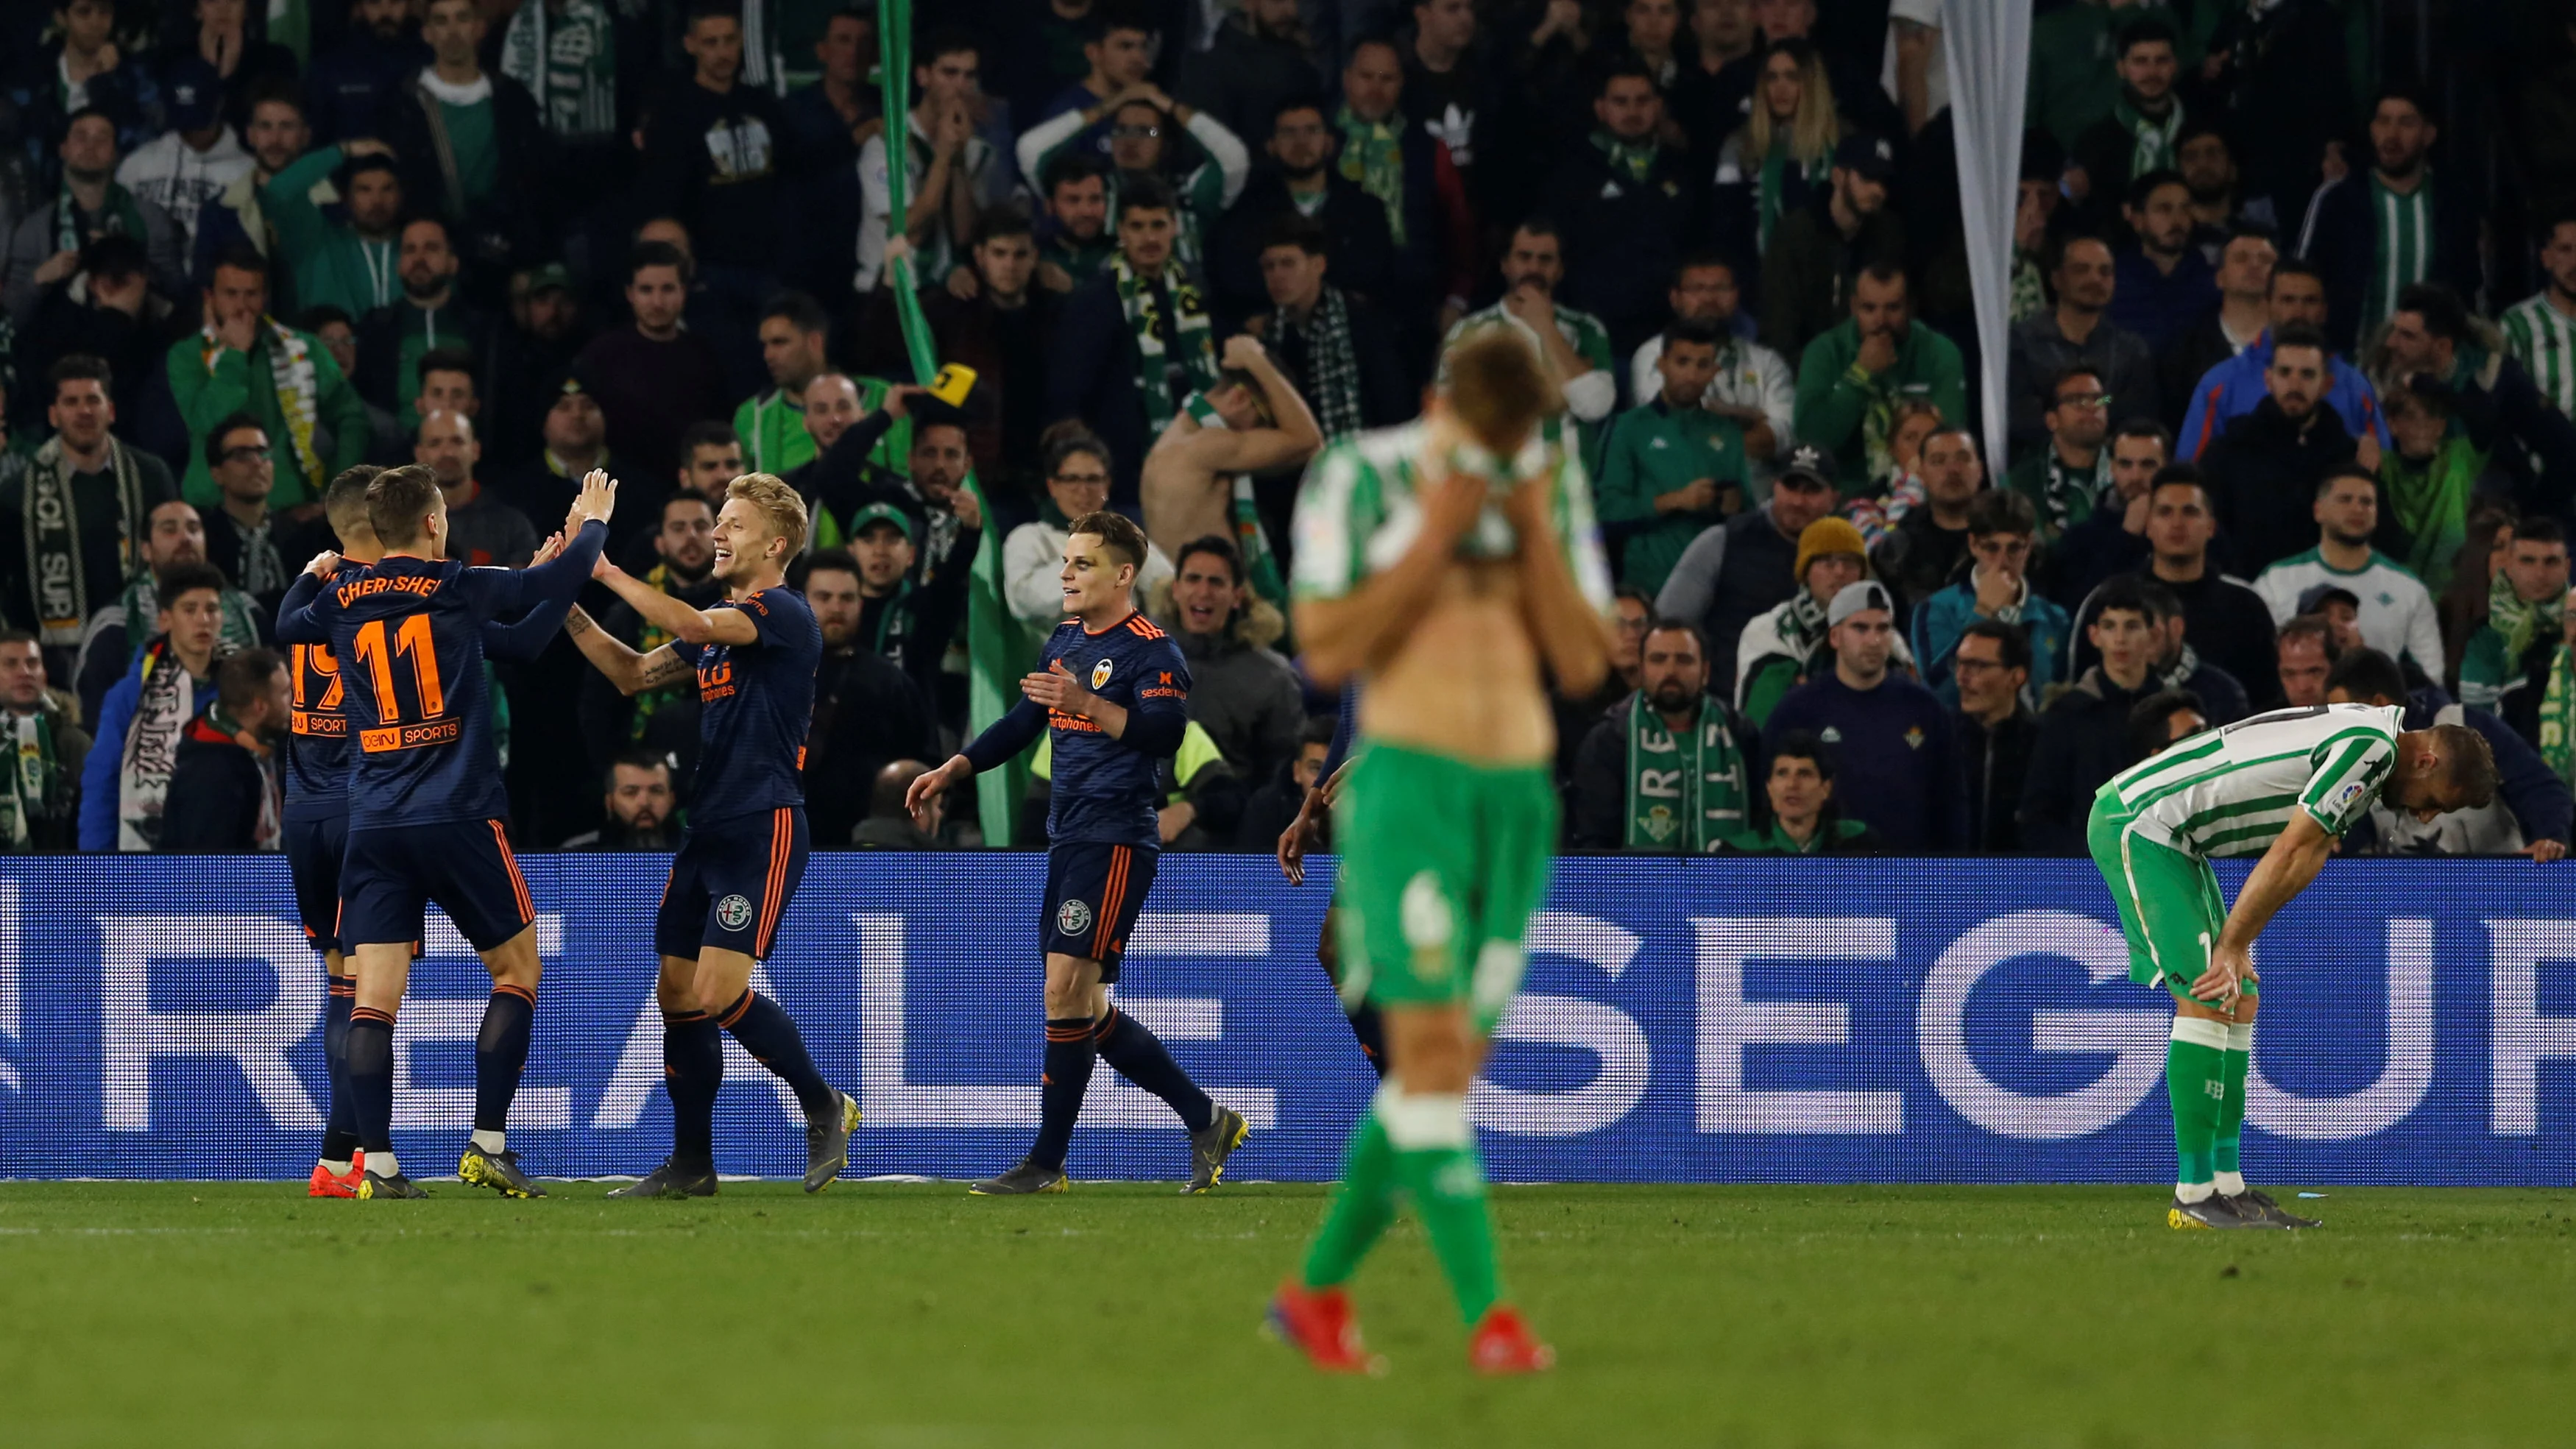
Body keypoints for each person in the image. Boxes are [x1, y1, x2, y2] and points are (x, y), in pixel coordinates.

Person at [1262, 329, 1603, 1374]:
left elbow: (1586, 658)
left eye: (1521, 438)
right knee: (1431, 1059)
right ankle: (1491, 1321)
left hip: (1515, 801)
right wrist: (1436, 538)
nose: (1504, 455)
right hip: (1405, 791)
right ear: (1435, 403)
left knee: (1446, 1063)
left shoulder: (1547, 477)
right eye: (1490, 436)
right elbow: (1324, 648)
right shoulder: (1359, 476)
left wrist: (1535, 528)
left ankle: (1316, 1294)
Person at [271, 463, 614, 1199]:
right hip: (457, 816)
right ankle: (488, 1142)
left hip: (376, 825)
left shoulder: (341, 599)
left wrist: (311, 574)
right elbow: (539, 603)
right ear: (432, 522)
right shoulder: (456, 585)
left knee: (372, 999)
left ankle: (379, 1166)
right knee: (517, 972)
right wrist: (591, 525)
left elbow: (286, 624)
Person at [906, 509, 1250, 1199]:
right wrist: (956, 767)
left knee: (1064, 990)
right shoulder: (1063, 640)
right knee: (1082, 1005)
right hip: (1070, 834)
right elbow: (1024, 720)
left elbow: (1161, 734)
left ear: (1124, 574)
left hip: (1118, 836)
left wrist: (1086, 701)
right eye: (1065, 562)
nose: (1065, 573)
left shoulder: (1154, 651)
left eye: (1082, 563)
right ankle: (1206, 1120)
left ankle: (1045, 1162)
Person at [557, 472, 857, 1199]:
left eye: (733, 524)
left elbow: (688, 625)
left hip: (764, 825)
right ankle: (692, 1163)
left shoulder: (781, 612)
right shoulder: (721, 631)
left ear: (776, 543)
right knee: (675, 993)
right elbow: (630, 674)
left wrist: (601, 566)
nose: (718, 534)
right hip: (708, 829)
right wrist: (559, 597)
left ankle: (824, 1104)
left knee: (719, 990)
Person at [2088, 700, 2494, 1229]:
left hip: (2179, 841)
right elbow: (2289, 849)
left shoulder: (2371, 746)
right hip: (2141, 823)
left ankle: (2227, 1188)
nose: (2424, 816)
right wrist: (2231, 944)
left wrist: (2242, 941)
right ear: (2426, 763)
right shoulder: (2370, 750)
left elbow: (2310, 853)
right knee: (2209, 995)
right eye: (2435, 803)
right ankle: (2193, 1195)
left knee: (2241, 997)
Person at [1047, 178, 1223, 500]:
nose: (1149, 237)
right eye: (1138, 227)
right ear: (1122, 232)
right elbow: (1069, 390)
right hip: (1125, 472)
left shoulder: (1200, 293)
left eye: (1158, 225)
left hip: (1202, 459)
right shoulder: (1094, 301)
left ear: (1175, 228)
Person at [1761, 579, 1961, 851]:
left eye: (1883, 628)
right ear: (1835, 637)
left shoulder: (1924, 708)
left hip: (1907, 879)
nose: (1874, 640)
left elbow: (1951, 801)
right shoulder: (1798, 711)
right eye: (1860, 628)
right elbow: (1768, 800)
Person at [0, 356, 177, 658]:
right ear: (53, 416)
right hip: (58, 654)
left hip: (146, 640)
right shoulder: (18, 491)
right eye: (71, 402)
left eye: (93, 400)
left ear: (110, 410)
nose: (84, 411)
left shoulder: (150, 475)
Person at [170, 245, 371, 510]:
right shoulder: (186, 355)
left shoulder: (303, 348)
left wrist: (339, 487)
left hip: (289, 505)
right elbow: (206, 422)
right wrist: (234, 356)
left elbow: (351, 416)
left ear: (265, 297)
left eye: (251, 294)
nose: (242, 306)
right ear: (210, 297)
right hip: (212, 507)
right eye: (231, 294)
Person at [2325, 647, 2572, 861]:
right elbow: (2351, 831)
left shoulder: (2470, 729)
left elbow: (2538, 786)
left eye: (2347, 715)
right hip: (2407, 900)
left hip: (2494, 890)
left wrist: (2549, 837)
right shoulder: (2354, 761)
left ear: (2378, 705)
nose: (2342, 729)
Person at [2295, 87, 2483, 352]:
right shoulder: (2337, 199)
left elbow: (2470, 291)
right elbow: (2302, 281)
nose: (2392, 135)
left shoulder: (2455, 203)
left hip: (2429, 372)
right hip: (2349, 367)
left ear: (2429, 135)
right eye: (2383, 122)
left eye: (2406, 123)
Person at [2070, 474, 2277, 707]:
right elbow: (2081, 691)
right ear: (2148, 525)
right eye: (2165, 512)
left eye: (2190, 512)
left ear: (2211, 527)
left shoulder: (2246, 605)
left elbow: (2267, 699)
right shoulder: (2107, 599)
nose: (2177, 523)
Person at [1655, 441, 1841, 695]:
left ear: (1834, 499)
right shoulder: (1722, 541)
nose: (1798, 501)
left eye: (1811, 491)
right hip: (1723, 708)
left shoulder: (1850, 557)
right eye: (1791, 487)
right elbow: (1666, 629)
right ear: (1774, 486)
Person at [1137, 333, 1322, 588]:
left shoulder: (1177, 439)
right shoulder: (1207, 445)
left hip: (1187, 598)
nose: (1263, 434)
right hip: (1206, 605)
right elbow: (1308, 440)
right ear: (1240, 398)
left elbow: (1302, 454)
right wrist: (1255, 361)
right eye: (1264, 423)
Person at [1543, 65, 1703, 358]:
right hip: (1595, 337)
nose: (1633, 111)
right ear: (1601, 108)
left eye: (1642, 101)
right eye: (1621, 102)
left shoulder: (1682, 169)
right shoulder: (1572, 174)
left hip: (1670, 335)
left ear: (1658, 107)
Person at [386, 0, 551, 273]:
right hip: (428, 254)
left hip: (502, 252)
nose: (452, 30)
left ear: (479, 28)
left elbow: (534, 181)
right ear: (427, 33)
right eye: (441, 21)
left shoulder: (512, 99)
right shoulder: (402, 103)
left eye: (462, 18)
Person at [78, 559, 230, 853]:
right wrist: (97, 863)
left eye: (212, 609)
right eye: (190, 610)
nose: (203, 620)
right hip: (151, 855)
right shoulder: (129, 694)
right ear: (165, 619)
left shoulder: (242, 686)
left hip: (231, 853)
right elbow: (103, 780)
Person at [1437, 220, 1617, 464]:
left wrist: (1545, 326)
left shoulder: (1586, 328)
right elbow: (1449, 416)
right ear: (1505, 265)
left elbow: (1596, 407)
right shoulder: (1469, 333)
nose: (1534, 267)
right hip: (1499, 481)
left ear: (1560, 269)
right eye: (1524, 257)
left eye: (1545, 260)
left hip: (1568, 482)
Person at [2370, 283, 2576, 497]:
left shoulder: (2495, 378)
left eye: (2407, 336)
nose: (2391, 342)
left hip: (2485, 511)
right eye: (2395, 331)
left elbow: (2565, 450)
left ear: (2442, 346)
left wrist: (2539, 514)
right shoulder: (2376, 379)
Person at [2176, 258, 2388, 463]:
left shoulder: (2355, 388)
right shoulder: (2220, 385)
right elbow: (2190, 476)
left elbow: (2388, 472)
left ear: (2324, 311)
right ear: (2267, 305)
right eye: (2288, 300)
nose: (2299, 312)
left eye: (2310, 301)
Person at [1570, 619, 1753, 851]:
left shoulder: (1740, 734)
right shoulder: (1610, 739)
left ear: (1705, 672)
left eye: (1684, 660)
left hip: (1728, 885)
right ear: (1642, 669)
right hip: (1635, 885)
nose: (1670, 671)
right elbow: (1594, 840)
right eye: (1658, 660)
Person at [1595, 319, 1747, 596]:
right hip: (1647, 584)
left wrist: (1735, 507)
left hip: (1714, 585)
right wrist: (1676, 501)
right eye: (1682, 362)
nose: (1691, 375)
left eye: (1703, 365)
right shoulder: (1628, 427)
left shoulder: (1727, 432)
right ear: (1662, 364)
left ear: (1715, 371)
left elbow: (1749, 513)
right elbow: (1606, 510)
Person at [1211, 99, 1397, 326]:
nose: (1301, 142)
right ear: (1271, 145)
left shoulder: (1365, 209)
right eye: (1289, 133)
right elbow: (1236, 280)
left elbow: (1375, 276)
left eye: (1312, 131)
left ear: (1329, 142)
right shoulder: (1246, 212)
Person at [2251, 467, 2444, 681]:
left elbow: (2431, 675)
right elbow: (2256, 660)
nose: (2357, 509)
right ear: (2318, 510)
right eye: (2345, 500)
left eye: (2367, 502)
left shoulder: (2408, 588)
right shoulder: (2276, 580)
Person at [800, 549, 938, 848]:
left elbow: (925, 764)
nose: (837, 608)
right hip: (782, 846)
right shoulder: (769, 678)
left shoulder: (890, 682)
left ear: (860, 604)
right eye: (824, 598)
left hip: (870, 850)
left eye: (847, 598)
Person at [2199, 323, 2360, 578]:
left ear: (2326, 384)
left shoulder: (2347, 458)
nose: (2294, 385)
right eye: (2285, 372)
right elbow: (2210, 532)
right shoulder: (2229, 451)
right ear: (2268, 379)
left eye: (2307, 375)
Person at [2020, 578, 2169, 854]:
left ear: (2153, 636)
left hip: (2164, 867)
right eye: (2110, 626)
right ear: (2094, 635)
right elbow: (2039, 815)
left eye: (2132, 626)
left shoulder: (2176, 712)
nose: (2120, 639)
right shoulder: (2066, 715)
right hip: (2085, 871)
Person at [1790, 263, 1967, 495]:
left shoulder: (1939, 352)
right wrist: (1860, 375)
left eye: (1893, 308)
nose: (1881, 320)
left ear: (1910, 308)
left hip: (1922, 493)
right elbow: (1810, 440)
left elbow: (1949, 439)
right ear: (1854, 307)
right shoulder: (1825, 352)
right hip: (1842, 494)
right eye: (1869, 308)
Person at [572, 244, 732, 495]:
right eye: (646, 290)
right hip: (618, 494)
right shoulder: (601, 356)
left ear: (684, 291)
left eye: (667, 289)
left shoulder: (705, 357)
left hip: (689, 495)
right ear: (630, 293)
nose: (658, 302)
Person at [855, 29, 1004, 295]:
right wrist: (944, 154)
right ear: (924, 76)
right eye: (950, 73)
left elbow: (965, 235)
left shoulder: (978, 150)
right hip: (888, 290)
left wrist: (957, 161)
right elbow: (909, 229)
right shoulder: (886, 145)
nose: (960, 85)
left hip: (942, 289)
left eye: (969, 76)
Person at [1626, 255, 1794, 489]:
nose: (1708, 298)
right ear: (1675, 298)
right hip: (1678, 492)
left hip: (1757, 500)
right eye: (1697, 289)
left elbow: (1782, 439)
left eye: (1721, 288)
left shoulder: (1767, 361)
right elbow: (1671, 428)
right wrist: (1754, 416)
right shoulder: (1654, 354)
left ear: (1737, 296)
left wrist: (1712, 423)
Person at [4, 108, 184, 325]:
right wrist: (40, 279)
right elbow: (11, 315)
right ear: (63, 149)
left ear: (116, 154)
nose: (91, 146)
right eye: (81, 137)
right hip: (56, 351)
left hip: (134, 346)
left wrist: (125, 259)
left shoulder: (150, 217)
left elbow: (176, 297)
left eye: (102, 138)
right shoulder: (36, 227)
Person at [1245, 218, 1413, 442]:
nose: (1277, 275)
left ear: (1318, 265)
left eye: (1288, 263)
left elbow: (1392, 402)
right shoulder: (1267, 334)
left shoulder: (1362, 321)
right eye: (1269, 266)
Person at [1158, 534, 1304, 781]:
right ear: (1176, 589)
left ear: (1237, 597)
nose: (1203, 592)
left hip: (1232, 815)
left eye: (1216, 582)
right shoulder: (1136, 653)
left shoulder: (1273, 678)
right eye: (1193, 579)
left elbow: (1281, 779)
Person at [1755, 130, 1905, 365]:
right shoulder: (1796, 234)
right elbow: (1778, 329)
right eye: (1867, 178)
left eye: (1883, 181)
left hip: (1874, 369)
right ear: (1838, 176)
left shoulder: (1888, 233)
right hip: (1804, 373)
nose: (1878, 191)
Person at [1912, 489, 2070, 706]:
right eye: (1992, 548)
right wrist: (1983, 612)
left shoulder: (2055, 619)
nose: (2002, 562)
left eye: (2014, 548)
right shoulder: (1935, 610)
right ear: (1973, 545)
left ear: (2029, 545)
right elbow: (1939, 694)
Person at [2003, 238, 2157, 458]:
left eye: (2105, 272)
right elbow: (2019, 415)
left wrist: (2092, 404)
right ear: (2057, 279)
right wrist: (2095, 408)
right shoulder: (2022, 343)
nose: (2095, 279)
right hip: (2035, 470)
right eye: (2081, 270)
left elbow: (2132, 412)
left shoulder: (2131, 350)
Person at [1007, 433, 1175, 626]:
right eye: (1072, 479)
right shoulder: (1029, 538)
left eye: (1093, 480)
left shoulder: (1126, 536)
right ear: (1053, 486)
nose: (1084, 490)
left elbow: (1169, 589)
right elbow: (1025, 602)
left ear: (1107, 485)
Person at [355, 218, 495, 439]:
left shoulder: (485, 328)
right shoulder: (375, 329)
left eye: (431, 248)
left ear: (452, 262)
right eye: (410, 250)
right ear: (399, 264)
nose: (419, 259)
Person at [1710, 39, 1839, 274]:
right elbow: (1725, 231)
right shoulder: (1740, 146)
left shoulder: (1839, 147)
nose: (1781, 88)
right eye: (1772, 78)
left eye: (1792, 77)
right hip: (1756, 285)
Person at [113, 57, 252, 253]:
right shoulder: (138, 163)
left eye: (198, 121)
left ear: (220, 103)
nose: (191, 132)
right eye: (184, 121)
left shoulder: (247, 171)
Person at [157, 645, 288, 851]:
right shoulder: (211, 776)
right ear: (260, 707)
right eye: (286, 693)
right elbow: (207, 872)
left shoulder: (263, 748)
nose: (295, 701)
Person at [2067, 17, 2184, 230]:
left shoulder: (2199, 132)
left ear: (2175, 65)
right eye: (2140, 61)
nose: (2152, 72)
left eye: (2161, 60)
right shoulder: (2096, 140)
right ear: (2121, 68)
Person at [2460, 519, 2571, 742]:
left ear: (2567, 567)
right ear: (2509, 566)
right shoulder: (2487, 638)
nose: (2540, 573)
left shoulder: (2573, 627)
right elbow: (2479, 724)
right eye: (2528, 561)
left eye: (2551, 562)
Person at [2159, 230, 2275, 427]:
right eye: (2241, 258)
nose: (2255, 265)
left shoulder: (2298, 346)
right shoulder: (2185, 350)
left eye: (2265, 259)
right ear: (2219, 277)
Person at [0, 631, 92, 853]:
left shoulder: (76, 745)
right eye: (11, 664)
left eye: (33, 664)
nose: (24, 672)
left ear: (44, 675)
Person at [1719, 729, 1878, 854]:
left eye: (1804, 774)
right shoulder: (1737, 853)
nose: (1792, 785)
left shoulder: (1860, 845)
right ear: (1769, 787)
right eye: (1782, 773)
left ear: (1826, 788)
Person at [195, 414, 294, 610]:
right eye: (242, 456)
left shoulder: (297, 534)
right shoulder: (204, 540)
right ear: (217, 473)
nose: (257, 463)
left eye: (263, 453)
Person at [1953, 619, 2035, 852]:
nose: (1961, 678)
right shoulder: (1943, 739)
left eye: (1977, 666)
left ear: (2016, 677)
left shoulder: (2043, 747)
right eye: (1959, 664)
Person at [733, 291, 832, 478]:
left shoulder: (879, 398)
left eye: (780, 342)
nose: (768, 355)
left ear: (815, 342)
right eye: (766, 345)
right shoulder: (751, 415)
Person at [2501, 217, 2576, 425]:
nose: (2575, 261)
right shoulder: (2517, 324)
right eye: (2565, 250)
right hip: (2542, 457)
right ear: (2546, 258)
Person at [2273, 614, 2338, 707]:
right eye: (2289, 674)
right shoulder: (2263, 720)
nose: (2302, 687)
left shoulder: (2361, 717)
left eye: (2314, 672)